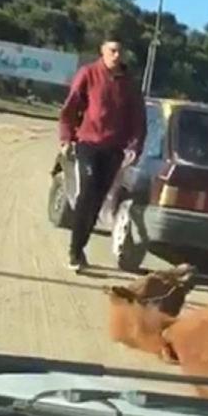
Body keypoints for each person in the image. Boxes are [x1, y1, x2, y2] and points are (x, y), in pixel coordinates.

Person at [58, 39, 147, 272]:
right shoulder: (88, 74)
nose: (116, 55)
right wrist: (66, 138)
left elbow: (138, 119)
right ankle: (73, 253)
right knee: (86, 194)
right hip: (88, 144)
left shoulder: (129, 84)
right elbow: (70, 108)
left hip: (114, 150)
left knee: (97, 201)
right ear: (102, 51)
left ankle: (80, 248)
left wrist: (135, 147)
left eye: (120, 51)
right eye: (112, 51)